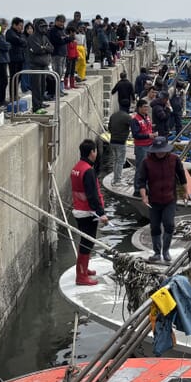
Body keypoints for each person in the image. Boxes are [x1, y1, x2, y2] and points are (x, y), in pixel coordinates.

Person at [134, 136, 188, 264]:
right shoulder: (146, 162)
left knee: (169, 224)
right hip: (154, 199)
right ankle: (157, 252)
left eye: (162, 150)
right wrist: (143, 196)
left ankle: (166, 251)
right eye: (158, 151)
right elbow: (141, 181)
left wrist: (185, 191)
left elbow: (181, 176)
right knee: (155, 227)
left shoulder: (174, 159)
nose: (160, 153)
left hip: (170, 199)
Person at [70, 139, 109, 287]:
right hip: (88, 212)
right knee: (88, 242)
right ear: (92, 152)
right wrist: (101, 213)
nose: (96, 153)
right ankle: (81, 276)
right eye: (95, 151)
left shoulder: (77, 167)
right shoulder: (88, 171)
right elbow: (92, 195)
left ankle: (83, 270)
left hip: (79, 209)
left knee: (85, 241)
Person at [25, 18, 53, 111]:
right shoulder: (32, 37)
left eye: (45, 26)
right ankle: (36, 106)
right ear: (37, 27)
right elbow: (37, 49)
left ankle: (40, 103)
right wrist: (45, 48)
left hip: (44, 64)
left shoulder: (45, 37)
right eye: (42, 27)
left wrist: (43, 48)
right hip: (35, 65)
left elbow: (52, 48)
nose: (44, 29)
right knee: (36, 86)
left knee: (43, 85)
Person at [130, 98, 155, 181]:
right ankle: (137, 189)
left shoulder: (147, 117)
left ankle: (146, 187)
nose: (146, 109)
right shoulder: (135, 120)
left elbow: (149, 128)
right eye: (144, 107)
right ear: (139, 108)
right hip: (141, 147)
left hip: (149, 145)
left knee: (148, 167)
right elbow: (136, 135)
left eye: (147, 107)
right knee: (140, 168)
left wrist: (153, 134)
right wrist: (149, 136)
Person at [107, 102, 131, 185]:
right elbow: (134, 126)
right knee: (120, 161)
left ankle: (115, 178)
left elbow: (109, 128)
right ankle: (117, 180)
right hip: (121, 142)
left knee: (116, 160)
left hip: (112, 141)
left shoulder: (113, 115)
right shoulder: (127, 117)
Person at [4, 17, 27, 102]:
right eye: (20, 25)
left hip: (20, 58)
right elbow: (19, 41)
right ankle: (12, 96)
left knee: (19, 78)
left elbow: (24, 42)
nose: (22, 27)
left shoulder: (19, 33)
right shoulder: (10, 33)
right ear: (14, 25)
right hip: (13, 59)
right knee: (13, 77)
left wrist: (21, 41)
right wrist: (21, 41)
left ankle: (16, 94)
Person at [48, 15, 70, 94]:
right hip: (56, 54)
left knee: (61, 74)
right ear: (56, 21)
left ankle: (59, 90)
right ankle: (56, 91)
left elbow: (64, 39)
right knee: (57, 73)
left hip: (63, 53)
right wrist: (66, 39)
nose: (61, 23)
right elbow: (58, 41)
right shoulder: (53, 30)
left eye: (63, 22)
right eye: (60, 21)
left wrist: (66, 39)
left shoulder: (63, 30)